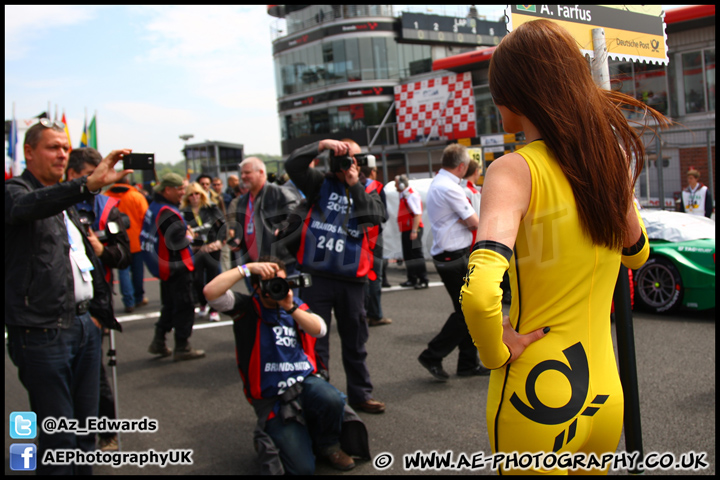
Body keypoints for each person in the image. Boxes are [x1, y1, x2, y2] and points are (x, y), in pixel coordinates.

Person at [459, 19, 667, 474]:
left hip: (539, 391)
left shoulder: (512, 170)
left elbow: (478, 294)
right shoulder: (604, 162)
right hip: (604, 392)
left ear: (515, 94)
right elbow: (638, 252)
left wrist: (496, 352)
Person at [5, 120, 131, 474]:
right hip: (41, 331)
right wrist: (86, 185)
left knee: (84, 434)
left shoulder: (68, 202)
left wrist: (94, 313)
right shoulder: (16, 192)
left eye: (65, 148)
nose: (61, 154)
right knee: (58, 439)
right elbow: (29, 207)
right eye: (52, 147)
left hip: (82, 326)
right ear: (28, 152)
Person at [203, 257, 369, 474]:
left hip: (303, 382)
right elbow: (210, 292)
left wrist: (290, 308)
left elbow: (320, 329)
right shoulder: (246, 308)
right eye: (270, 282)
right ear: (256, 286)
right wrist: (247, 268)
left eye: (280, 282)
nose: (276, 287)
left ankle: (328, 445)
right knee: (302, 469)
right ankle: (267, 436)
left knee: (332, 398)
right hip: (271, 396)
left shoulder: (292, 305)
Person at [285, 138, 387, 414]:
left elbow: (375, 216)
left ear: (360, 161)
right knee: (315, 340)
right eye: (340, 157)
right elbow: (292, 165)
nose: (345, 163)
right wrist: (320, 145)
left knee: (355, 341)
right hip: (317, 276)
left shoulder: (370, 187)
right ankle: (321, 396)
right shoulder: (319, 183)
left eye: (351, 157)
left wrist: (354, 183)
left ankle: (360, 394)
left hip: (353, 280)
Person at [66, 147, 133, 453]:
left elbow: (124, 256)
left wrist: (102, 250)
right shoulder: (53, 203)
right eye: (90, 176)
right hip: (51, 311)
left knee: (95, 377)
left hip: (94, 306)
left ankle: (106, 431)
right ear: (73, 175)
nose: (98, 181)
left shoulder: (109, 210)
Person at [417, 143, 489, 382]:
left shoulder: (440, 182)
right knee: (467, 311)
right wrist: (467, 221)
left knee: (467, 310)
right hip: (453, 254)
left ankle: (467, 362)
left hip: (448, 253)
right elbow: (474, 221)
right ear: (462, 166)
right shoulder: (451, 188)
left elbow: (466, 220)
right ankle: (433, 354)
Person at [141, 173, 206, 361]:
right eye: (179, 189)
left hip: (164, 267)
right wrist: (190, 237)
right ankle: (182, 346)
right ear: (167, 189)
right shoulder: (168, 212)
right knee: (184, 305)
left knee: (169, 305)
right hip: (177, 267)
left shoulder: (154, 207)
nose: (183, 193)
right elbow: (178, 241)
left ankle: (159, 341)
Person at [232, 157, 302, 273]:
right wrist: (237, 239)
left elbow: (296, 218)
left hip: (281, 265)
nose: (243, 176)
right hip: (253, 266)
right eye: (242, 173)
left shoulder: (280, 194)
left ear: (261, 172)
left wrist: (283, 227)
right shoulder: (243, 201)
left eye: (247, 172)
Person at [181, 181, 226, 322]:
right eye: (191, 194)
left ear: (202, 195)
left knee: (213, 279)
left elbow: (222, 225)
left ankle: (214, 309)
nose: (194, 197)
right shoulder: (184, 212)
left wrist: (220, 241)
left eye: (197, 194)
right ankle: (202, 303)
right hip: (196, 249)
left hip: (212, 247)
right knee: (197, 280)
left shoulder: (211, 207)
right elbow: (182, 229)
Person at [105, 174, 150, 312]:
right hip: (136, 240)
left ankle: (128, 301)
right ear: (127, 181)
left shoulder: (105, 197)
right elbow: (146, 217)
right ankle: (138, 297)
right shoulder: (136, 197)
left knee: (123, 272)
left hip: (116, 242)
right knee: (137, 271)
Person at [360, 165, 392, 326]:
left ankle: (362, 313)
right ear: (372, 171)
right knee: (374, 276)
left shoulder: (351, 185)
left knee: (360, 275)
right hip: (373, 236)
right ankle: (376, 314)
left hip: (356, 235)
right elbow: (383, 215)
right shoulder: (377, 187)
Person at [395, 174, 429, 289]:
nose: (395, 186)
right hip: (407, 229)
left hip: (413, 229)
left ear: (401, 184)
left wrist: (414, 230)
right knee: (408, 255)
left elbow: (417, 214)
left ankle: (423, 279)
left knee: (416, 254)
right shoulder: (404, 195)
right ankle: (412, 278)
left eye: (396, 183)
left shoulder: (410, 195)